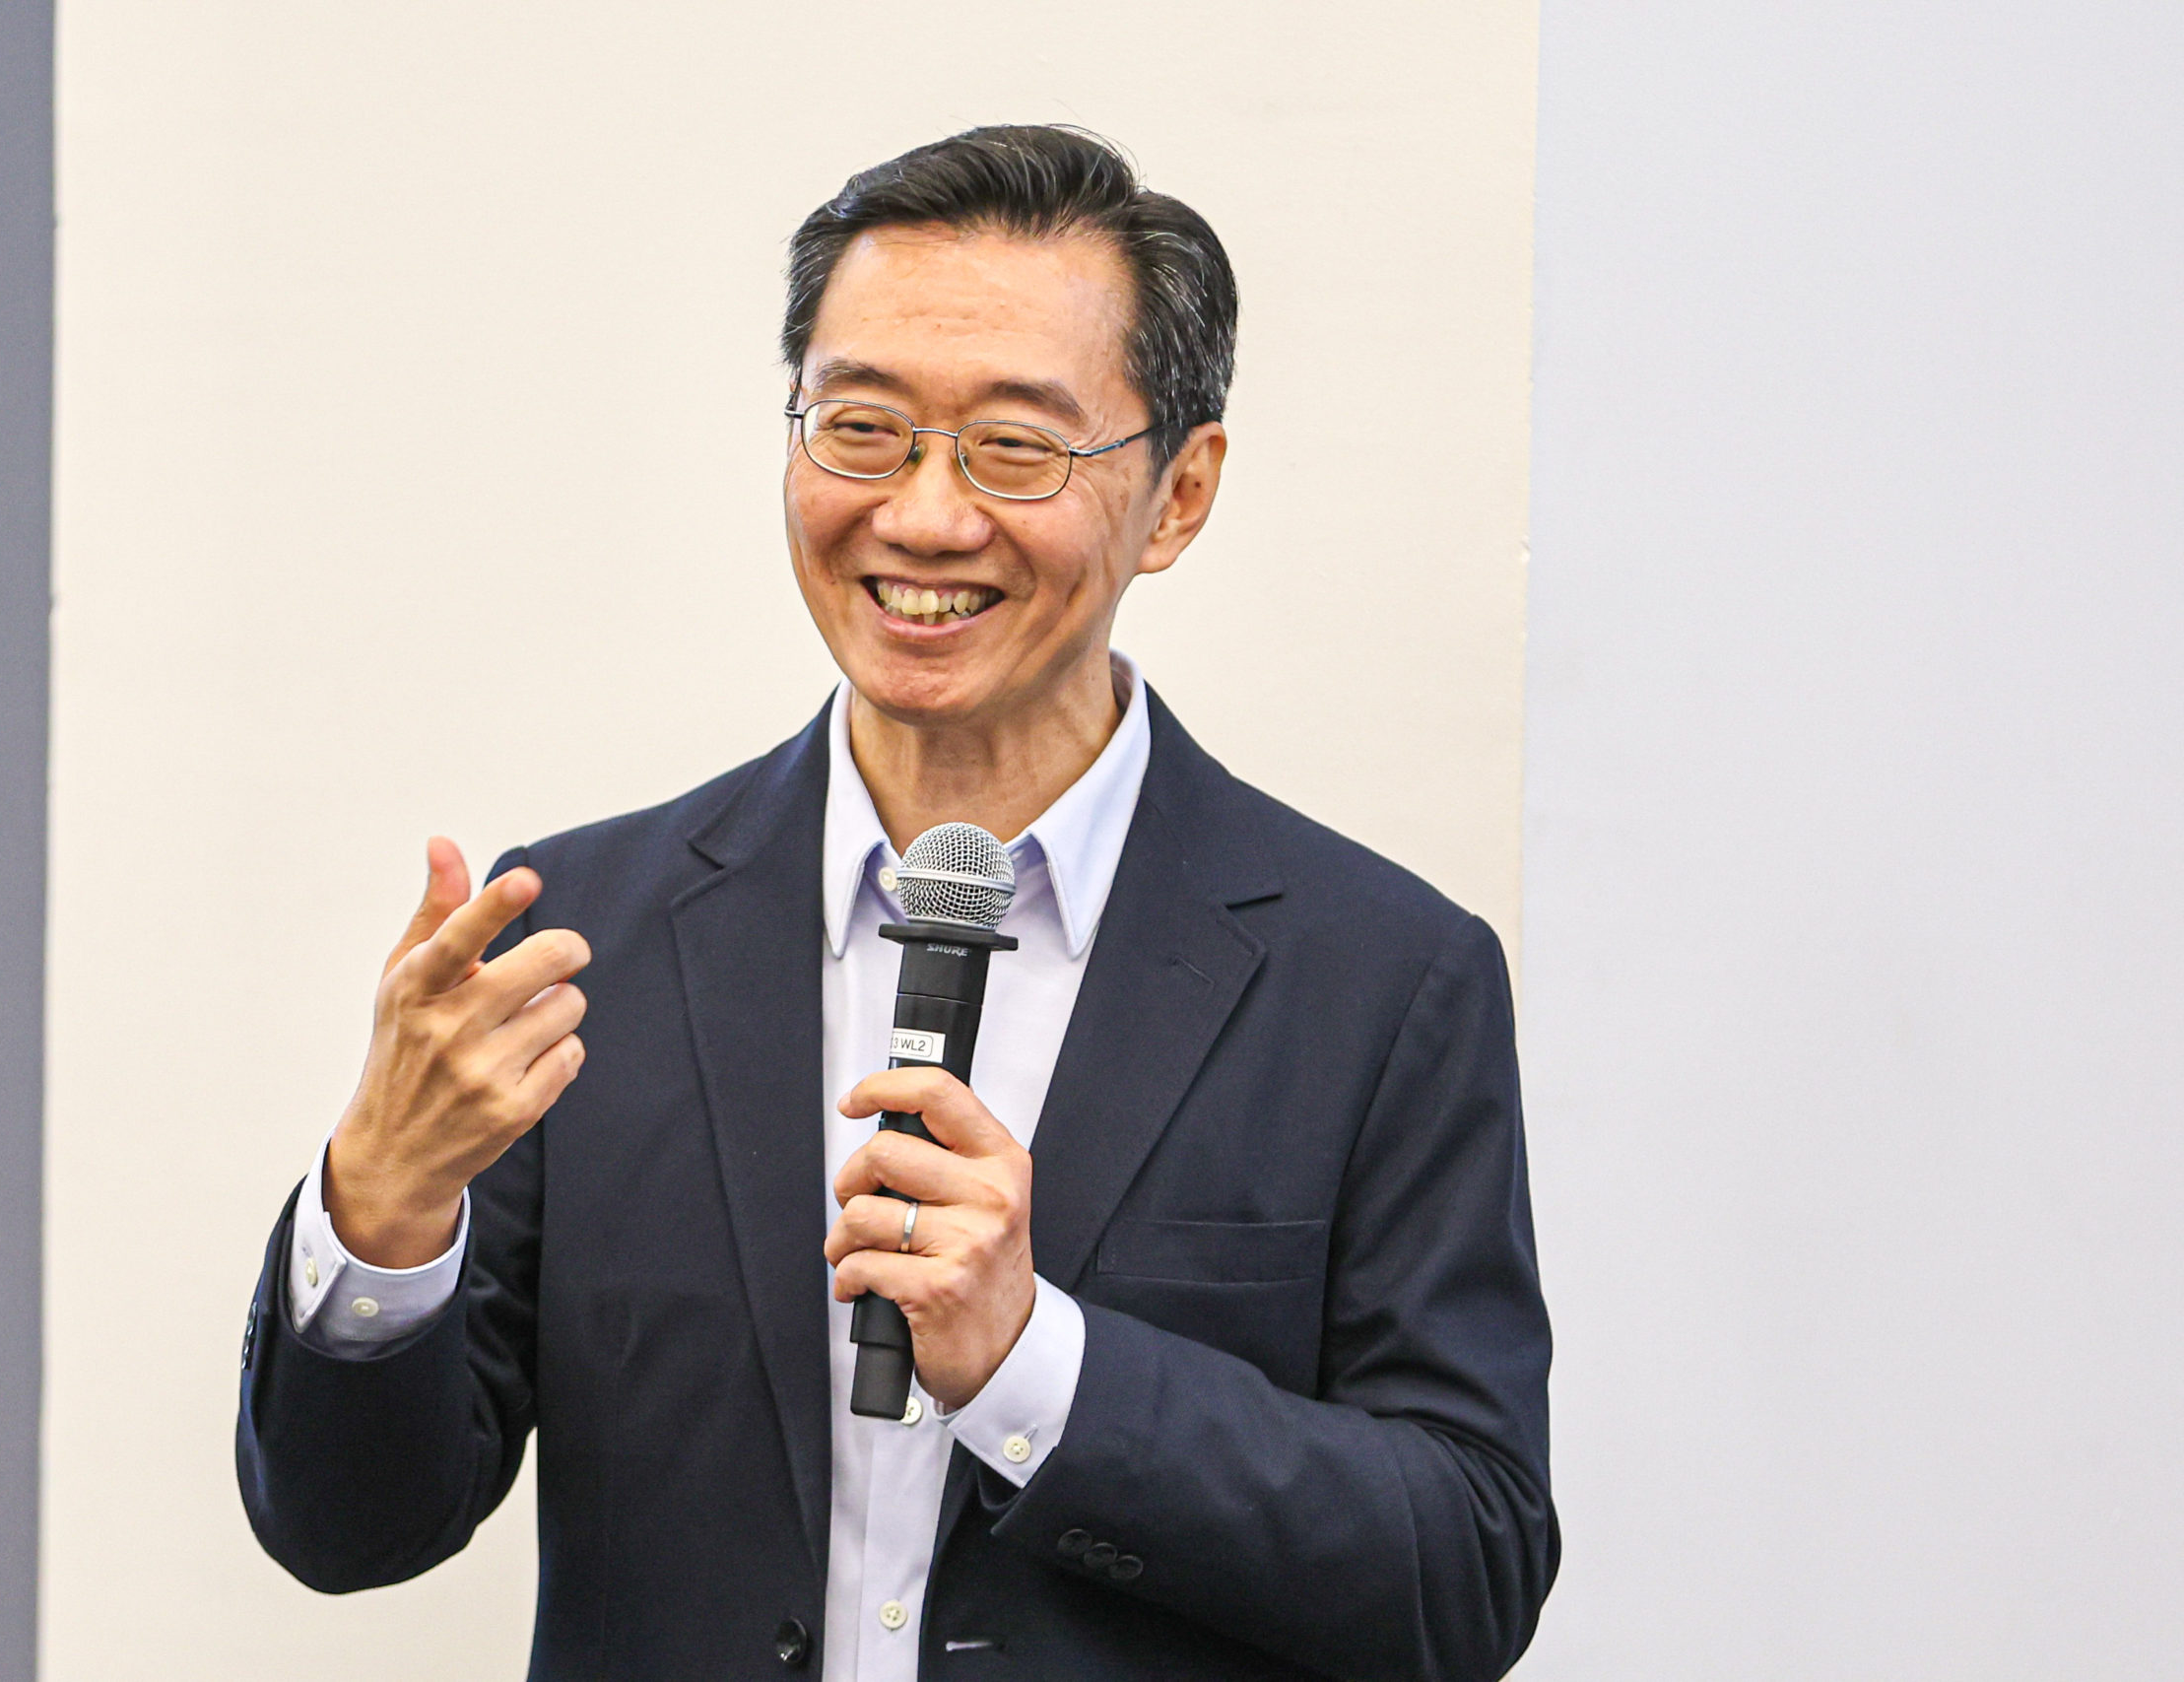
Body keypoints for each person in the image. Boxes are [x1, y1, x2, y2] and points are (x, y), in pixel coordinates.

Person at [235, 125, 1555, 1682]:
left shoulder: (1379, 979)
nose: (924, 517)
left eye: (1014, 448)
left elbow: (1465, 1568)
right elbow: (347, 1529)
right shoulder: (584, 941)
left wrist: (1036, 1367)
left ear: (1179, 494)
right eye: (862, 430)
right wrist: (381, 1217)